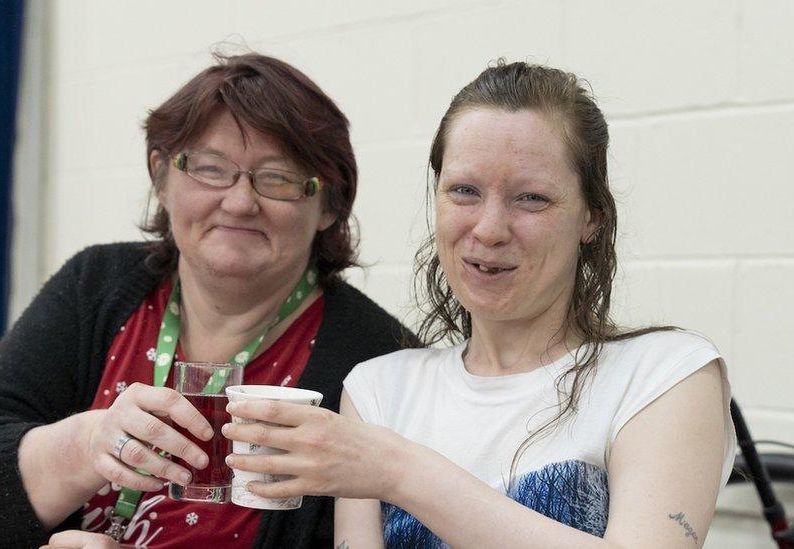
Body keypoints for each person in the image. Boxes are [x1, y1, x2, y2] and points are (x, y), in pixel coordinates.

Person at [222, 60, 736, 547]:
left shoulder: (665, 376)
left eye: (531, 198)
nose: (489, 230)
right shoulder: (380, 388)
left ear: (591, 218)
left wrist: (399, 470)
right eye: (465, 191)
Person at [0, 52, 414, 549]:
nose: (241, 201)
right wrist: (89, 444)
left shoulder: (381, 360)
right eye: (210, 168)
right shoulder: (96, 285)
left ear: (329, 205)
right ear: (162, 177)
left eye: (278, 178)